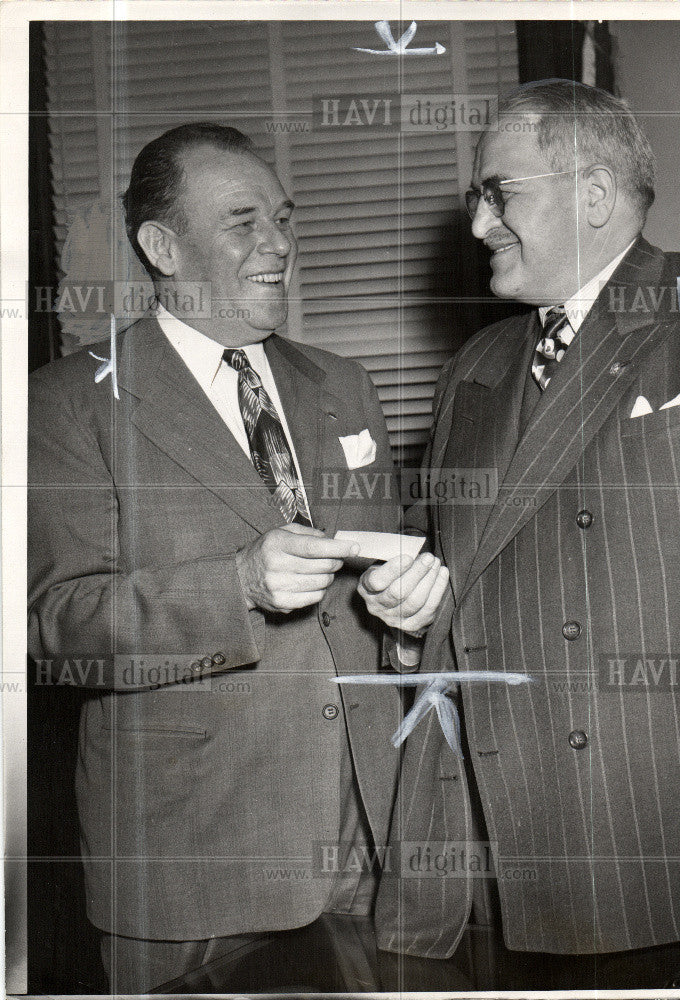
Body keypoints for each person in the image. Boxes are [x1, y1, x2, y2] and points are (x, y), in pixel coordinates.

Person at [374, 80, 680, 986]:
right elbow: (447, 564)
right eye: (475, 199)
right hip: (528, 837)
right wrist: (403, 608)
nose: (480, 224)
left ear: (595, 194)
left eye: (500, 193)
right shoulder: (476, 368)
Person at [28, 122, 448, 993]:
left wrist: (409, 627)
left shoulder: (346, 384)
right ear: (161, 246)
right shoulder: (65, 403)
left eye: (285, 219)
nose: (281, 245)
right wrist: (236, 588)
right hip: (191, 872)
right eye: (243, 221)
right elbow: (53, 629)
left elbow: (379, 602)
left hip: (370, 849)